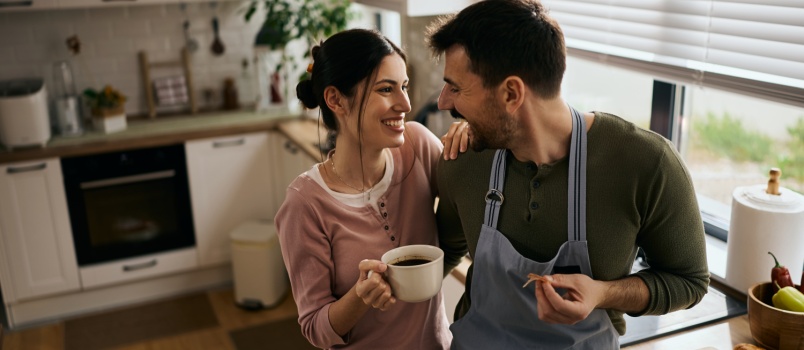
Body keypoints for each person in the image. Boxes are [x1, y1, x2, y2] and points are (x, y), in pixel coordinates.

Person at [427, 0, 710, 348]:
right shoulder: (464, 159)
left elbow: (689, 282)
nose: (443, 102)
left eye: (455, 87)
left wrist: (603, 293)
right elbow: (443, 251)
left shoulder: (647, 164)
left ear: (511, 93)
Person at [274, 28, 467, 349]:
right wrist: (359, 297)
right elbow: (315, 328)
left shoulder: (417, 146)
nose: (405, 103)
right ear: (335, 99)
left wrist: (469, 136)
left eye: (404, 86)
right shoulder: (305, 203)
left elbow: (469, 194)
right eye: (386, 89)